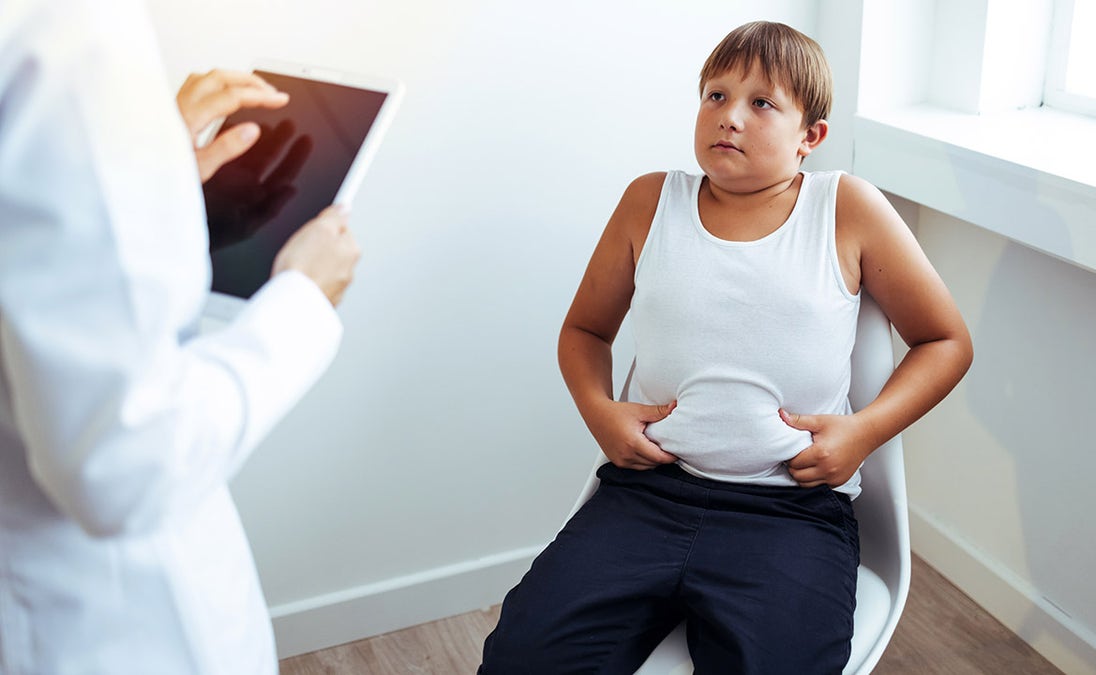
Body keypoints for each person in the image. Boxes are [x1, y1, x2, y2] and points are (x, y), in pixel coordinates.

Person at [479, 21, 973, 674]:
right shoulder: (650, 201)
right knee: (520, 656)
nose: (729, 117)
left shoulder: (845, 207)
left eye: (761, 102)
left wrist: (862, 432)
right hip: (647, 497)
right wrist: (601, 411)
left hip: (790, 515)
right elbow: (584, 332)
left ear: (811, 136)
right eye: (715, 95)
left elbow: (946, 341)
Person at [0, 1, 361, 673]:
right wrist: (304, 302)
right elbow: (122, 461)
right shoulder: (68, 31)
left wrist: (144, 194)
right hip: (98, 625)